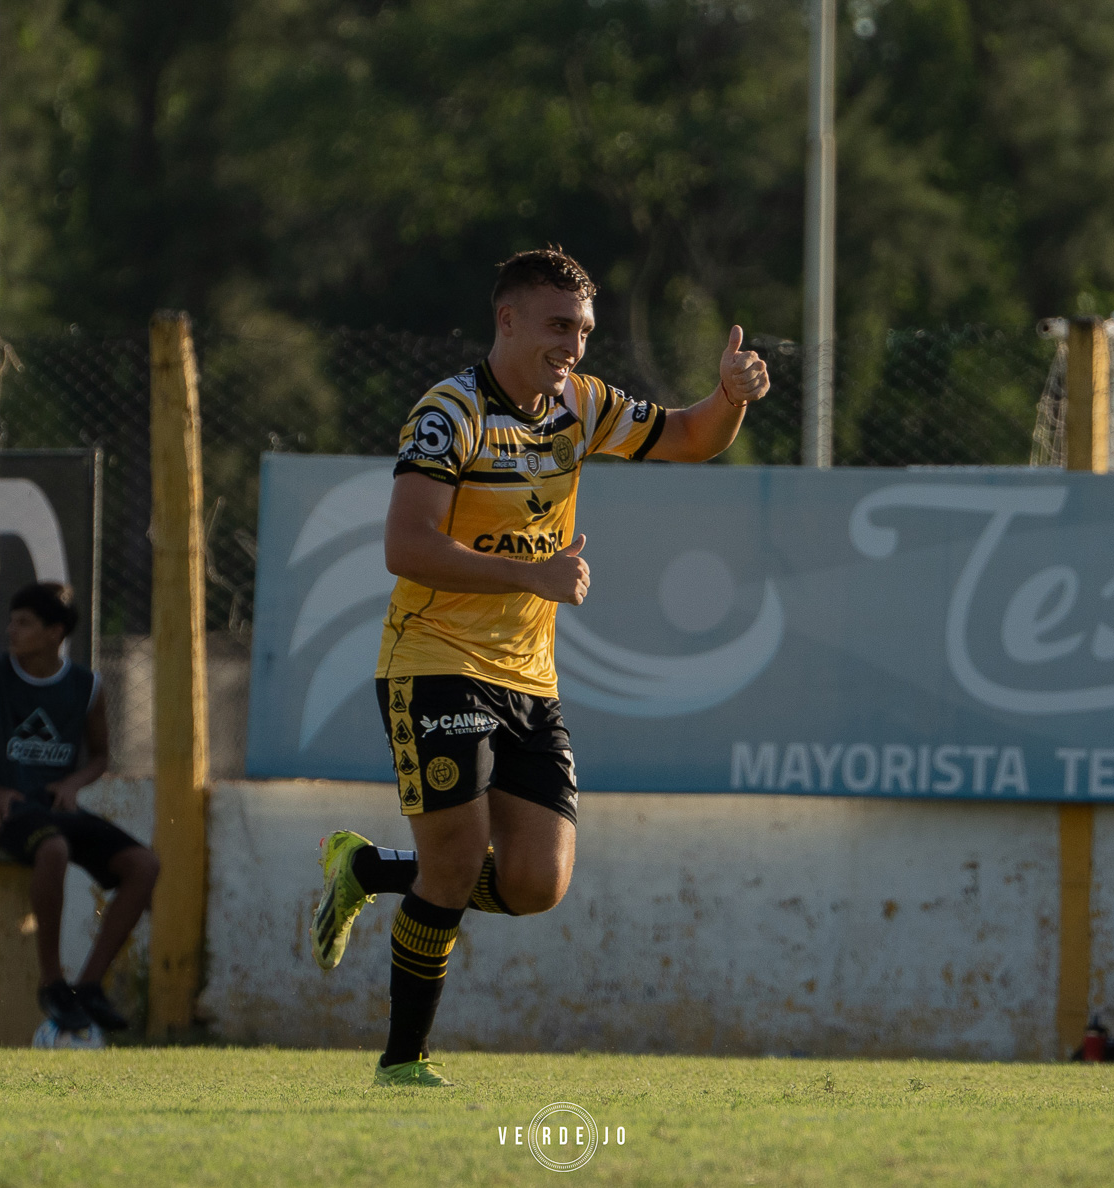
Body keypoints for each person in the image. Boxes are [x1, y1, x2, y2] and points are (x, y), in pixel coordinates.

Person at [309, 247, 770, 1086]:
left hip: (528, 677)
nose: (574, 346)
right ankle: (402, 1065)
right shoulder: (449, 413)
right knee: (456, 861)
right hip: (435, 661)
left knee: (534, 883)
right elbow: (405, 546)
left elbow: (691, 437)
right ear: (508, 319)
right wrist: (531, 574)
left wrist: (730, 398)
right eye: (559, 326)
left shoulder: (582, 404)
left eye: (584, 330)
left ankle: (368, 869)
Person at [0, 581, 160, 1036]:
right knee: (54, 850)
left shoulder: (87, 686)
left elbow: (100, 756)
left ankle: (89, 986)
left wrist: (73, 783)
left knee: (144, 865)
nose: (12, 630)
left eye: (24, 623)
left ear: (55, 632)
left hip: (58, 810)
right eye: (11, 621)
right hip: (10, 812)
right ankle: (52, 983)